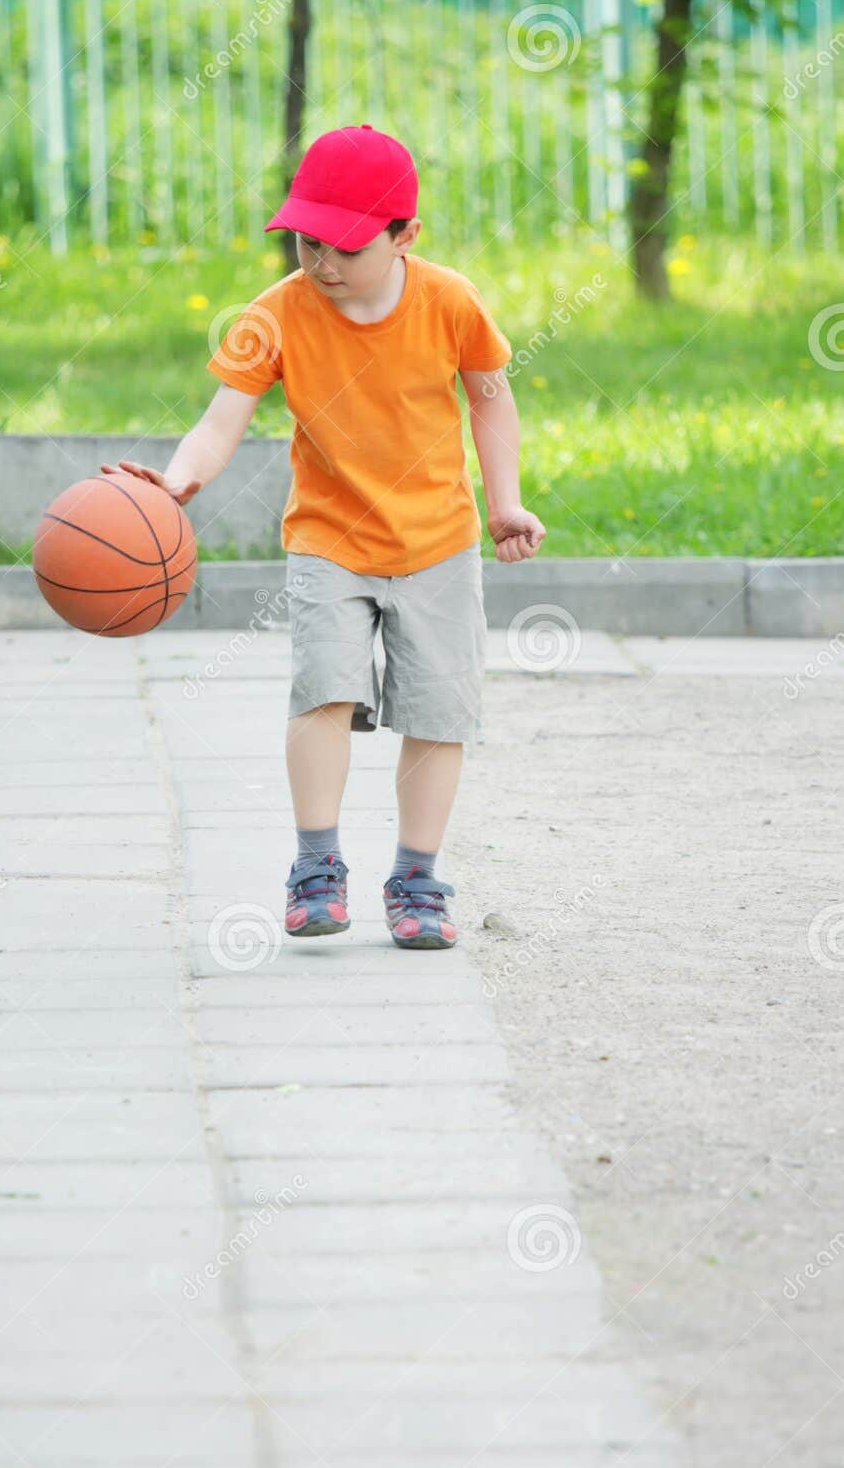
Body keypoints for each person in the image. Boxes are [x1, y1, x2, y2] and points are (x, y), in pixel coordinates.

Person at [103, 123, 545, 951]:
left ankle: (417, 880)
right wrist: (179, 479)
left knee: (438, 714)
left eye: (345, 246)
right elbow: (221, 420)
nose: (323, 262)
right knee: (322, 693)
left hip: (439, 543)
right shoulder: (275, 313)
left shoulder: (450, 302)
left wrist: (505, 505)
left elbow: (490, 400)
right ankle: (316, 867)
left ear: (404, 235)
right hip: (327, 541)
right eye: (308, 241)